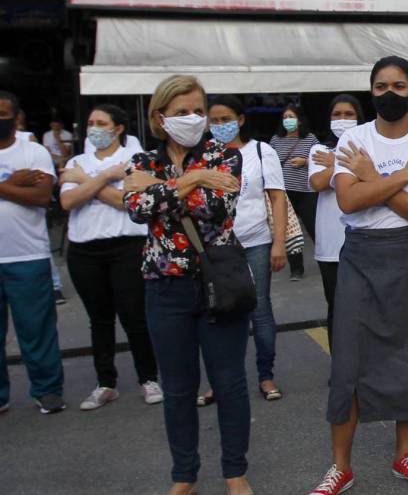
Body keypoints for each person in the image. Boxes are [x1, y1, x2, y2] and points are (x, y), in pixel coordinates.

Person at [308, 56, 408, 495]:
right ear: (371, 92)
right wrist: (406, 176)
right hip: (362, 257)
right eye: (381, 86)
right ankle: (340, 467)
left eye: (399, 86)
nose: (390, 94)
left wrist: (376, 180)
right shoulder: (354, 138)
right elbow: (349, 202)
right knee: (347, 363)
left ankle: (404, 454)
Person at [122, 75, 251, 495]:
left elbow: (216, 208)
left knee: (229, 382)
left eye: (198, 110)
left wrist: (165, 190)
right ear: (160, 117)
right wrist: (194, 180)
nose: (193, 119)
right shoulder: (144, 161)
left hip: (218, 284)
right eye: (181, 112)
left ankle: (235, 472)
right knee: (178, 389)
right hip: (165, 288)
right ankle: (185, 475)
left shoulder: (225, 156)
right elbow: (136, 209)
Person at [58, 104, 162, 411]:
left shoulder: (135, 159)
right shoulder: (78, 160)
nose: (93, 128)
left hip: (127, 247)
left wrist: (85, 181)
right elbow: (67, 200)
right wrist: (105, 176)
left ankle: (149, 377)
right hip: (84, 250)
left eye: (101, 123)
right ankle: (106, 383)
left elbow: (126, 202)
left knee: (134, 316)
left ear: (117, 128)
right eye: (91, 122)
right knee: (99, 319)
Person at [207, 96, 287, 402]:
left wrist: (278, 242)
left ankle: (266, 376)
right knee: (218, 312)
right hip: (215, 247)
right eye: (213, 121)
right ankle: (222, 379)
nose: (219, 126)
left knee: (260, 309)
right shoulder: (204, 156)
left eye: (225, 119)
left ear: (240, 120)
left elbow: (277, 197)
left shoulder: (260, 151)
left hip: (255, 241)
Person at [0, 90, 65, 415]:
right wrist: (13, 184)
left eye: (3, 114)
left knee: (36, 329)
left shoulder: (34, 151)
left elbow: (41, 197)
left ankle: (48, 390)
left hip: (26, 256)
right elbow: (24, 192)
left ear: (16, 116)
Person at [308, 94, 364, 339]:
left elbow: (377, 179)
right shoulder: (319, 149)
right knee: (337, 307)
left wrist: (336, 164)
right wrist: (347, 162)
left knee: (367, 307)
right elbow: (319, 182)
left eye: (349, 114)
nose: (342, 119)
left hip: (364, 238)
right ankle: (340, 369)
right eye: (337, 114)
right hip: (330, 244)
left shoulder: (369, 147)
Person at [270, 103, 319, 281]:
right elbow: (269, 163)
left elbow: (321, 159)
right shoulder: (276, 140)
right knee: (290, 231)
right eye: (285, 117)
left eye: (291, 117)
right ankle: (296, 269)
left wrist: (305, 162)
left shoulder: (310, 139)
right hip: (284, 194)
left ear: (299, 120)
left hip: (306, 192)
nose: (287, 120)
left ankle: (327, 260)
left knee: (315, 228)